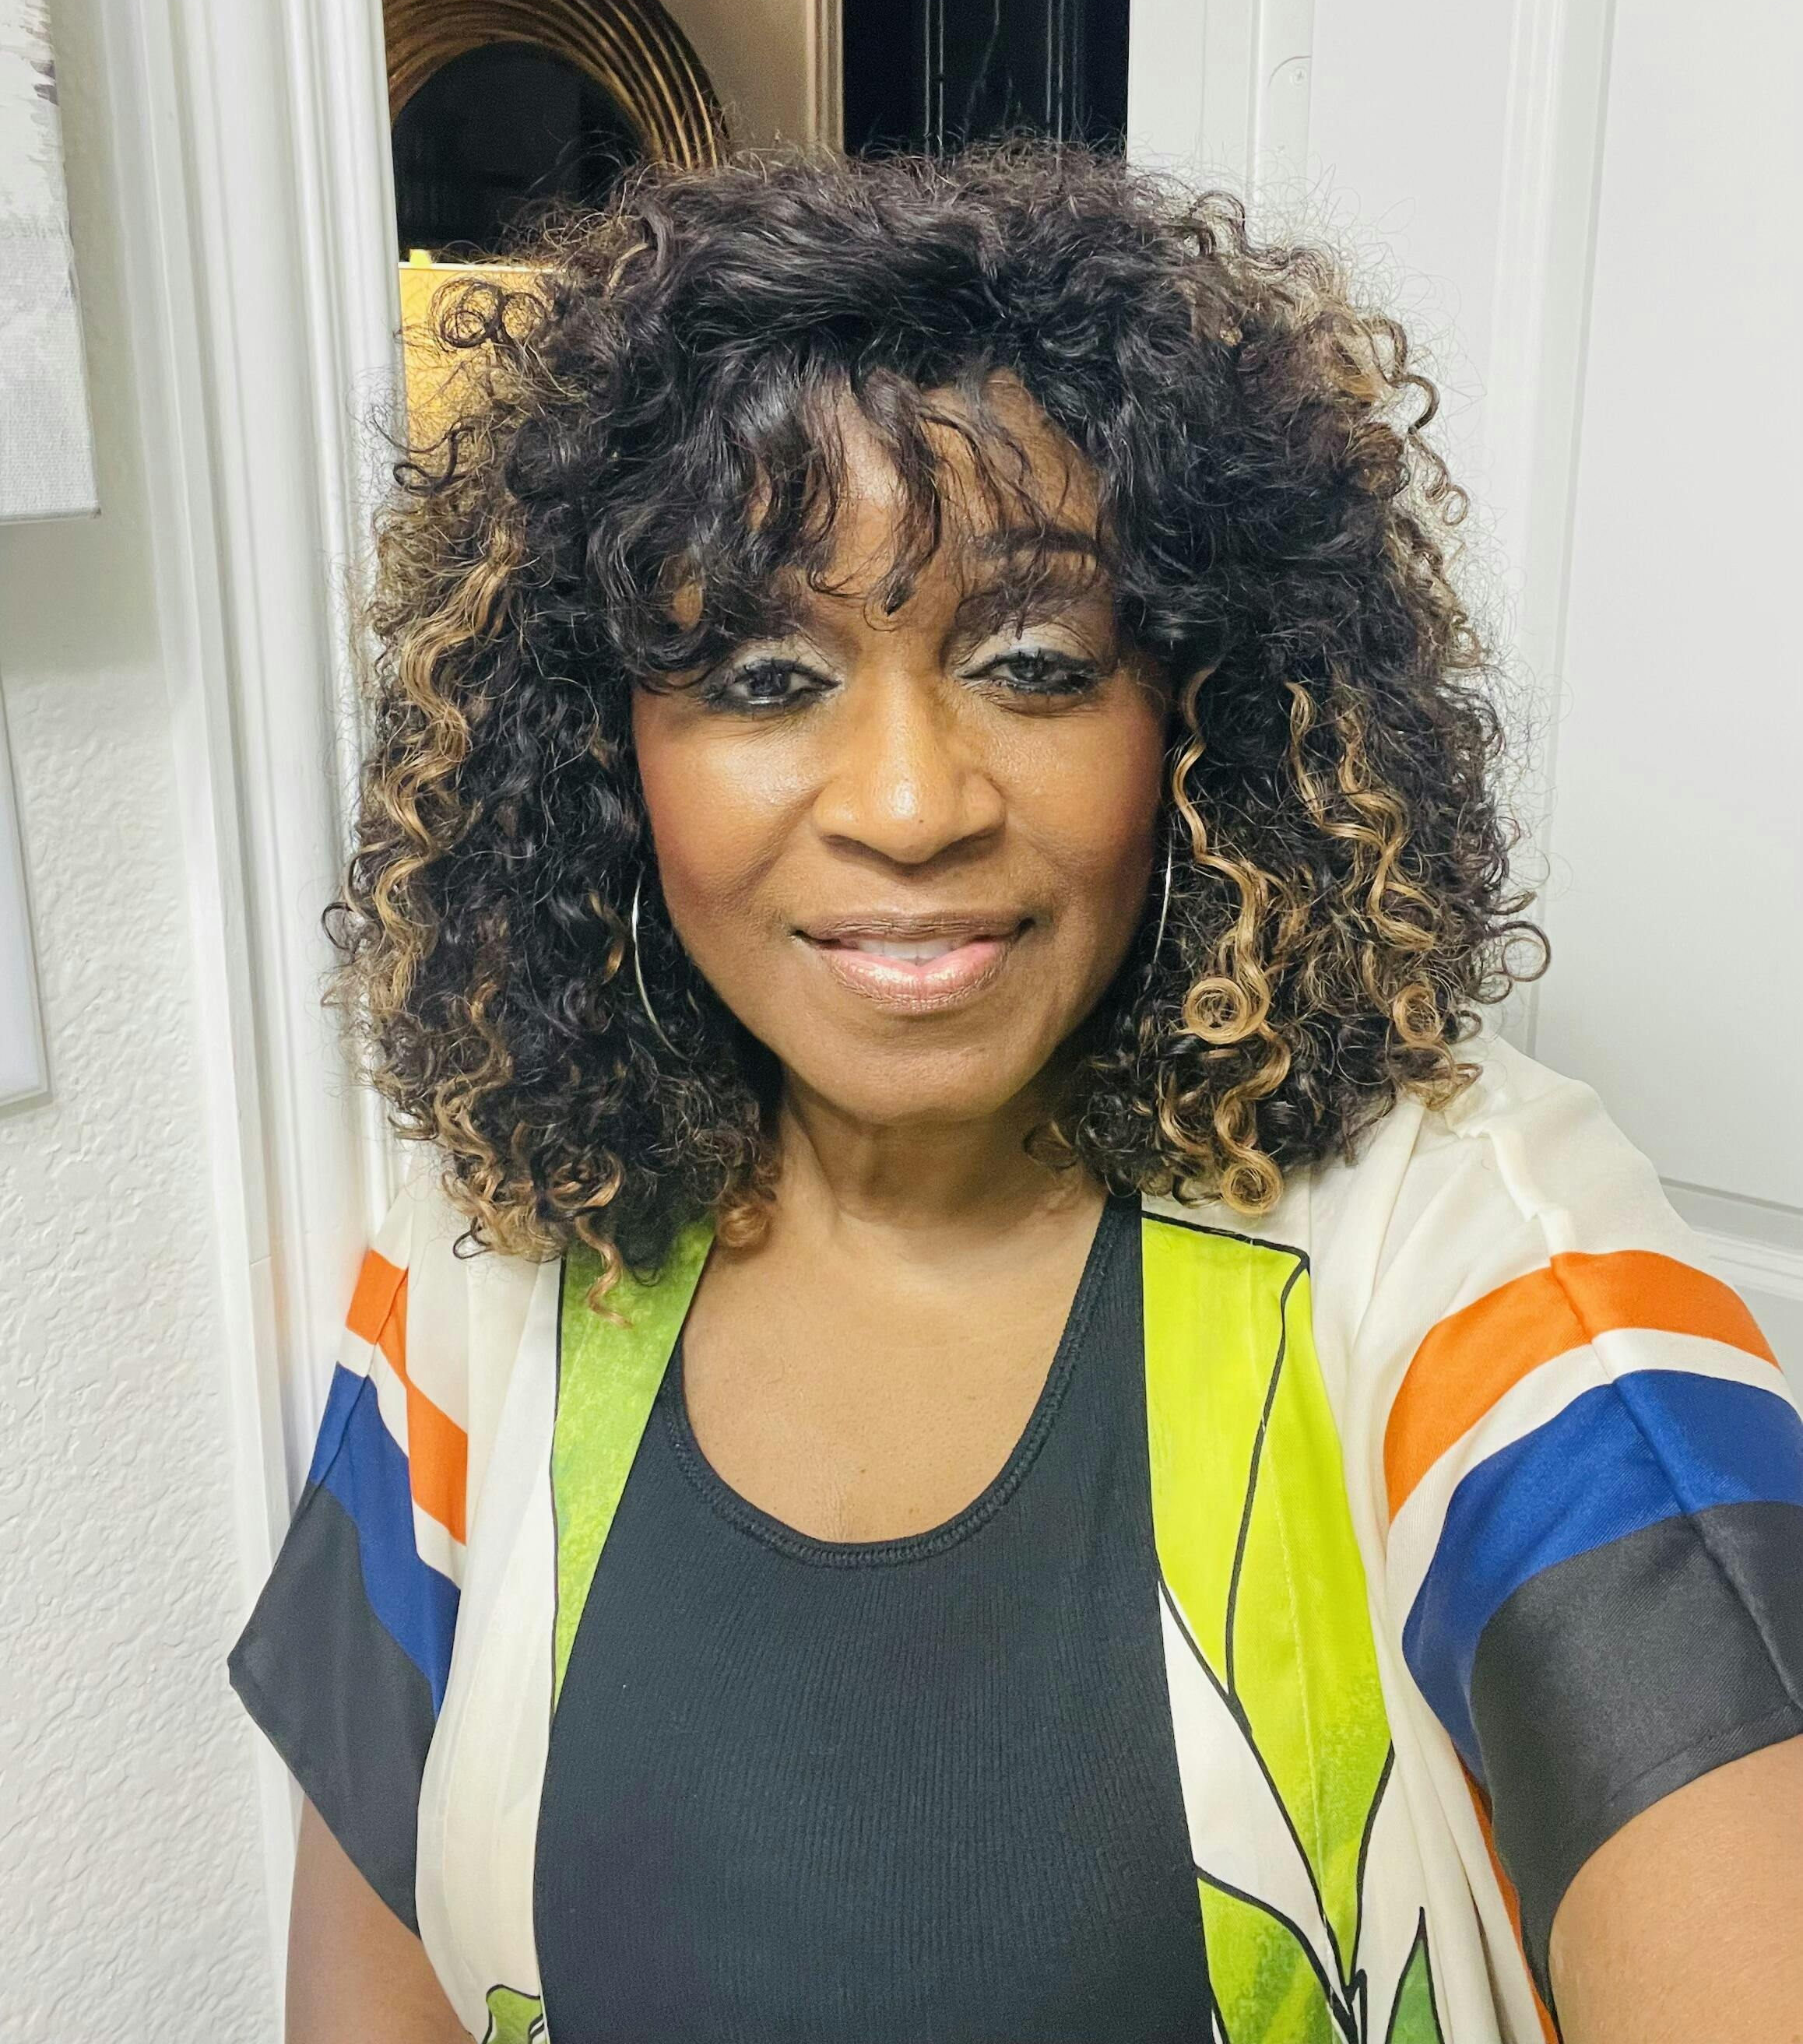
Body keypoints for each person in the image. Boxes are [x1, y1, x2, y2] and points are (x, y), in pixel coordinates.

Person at [231, 148, 1803, 2044]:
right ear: (602, 746)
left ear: (1197, 708)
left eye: (1038, 662)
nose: (911, 805)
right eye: (765, 672)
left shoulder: (1485, 1263)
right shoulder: (489, 1256)